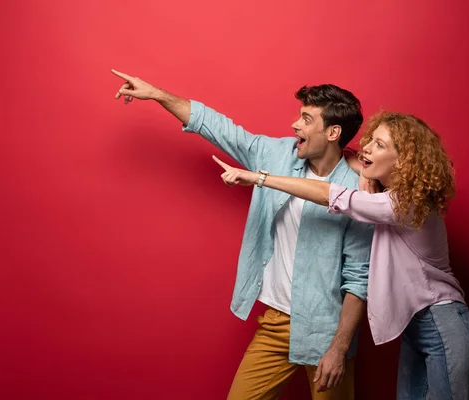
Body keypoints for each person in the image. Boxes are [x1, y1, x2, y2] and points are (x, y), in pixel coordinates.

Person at [112, 69, 374, 399]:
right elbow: (222, 129)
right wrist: (159, 95)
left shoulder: (356, 189)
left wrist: (339, 348)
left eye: (307, 119)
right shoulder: (278, 155)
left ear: (333, 132)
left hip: (326, 331)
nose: (295, 125)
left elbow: (358, 278)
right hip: (276, 322)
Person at [212, 111, 469, 399]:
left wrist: (259, 177)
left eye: (380, 145)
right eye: (371, 141)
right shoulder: (386, 195)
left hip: (442, 322)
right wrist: (364, 171)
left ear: (403, 161)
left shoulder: (405, 205)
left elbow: (331, 195)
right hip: (414, 327)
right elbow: (353, 162)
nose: (367, 147)